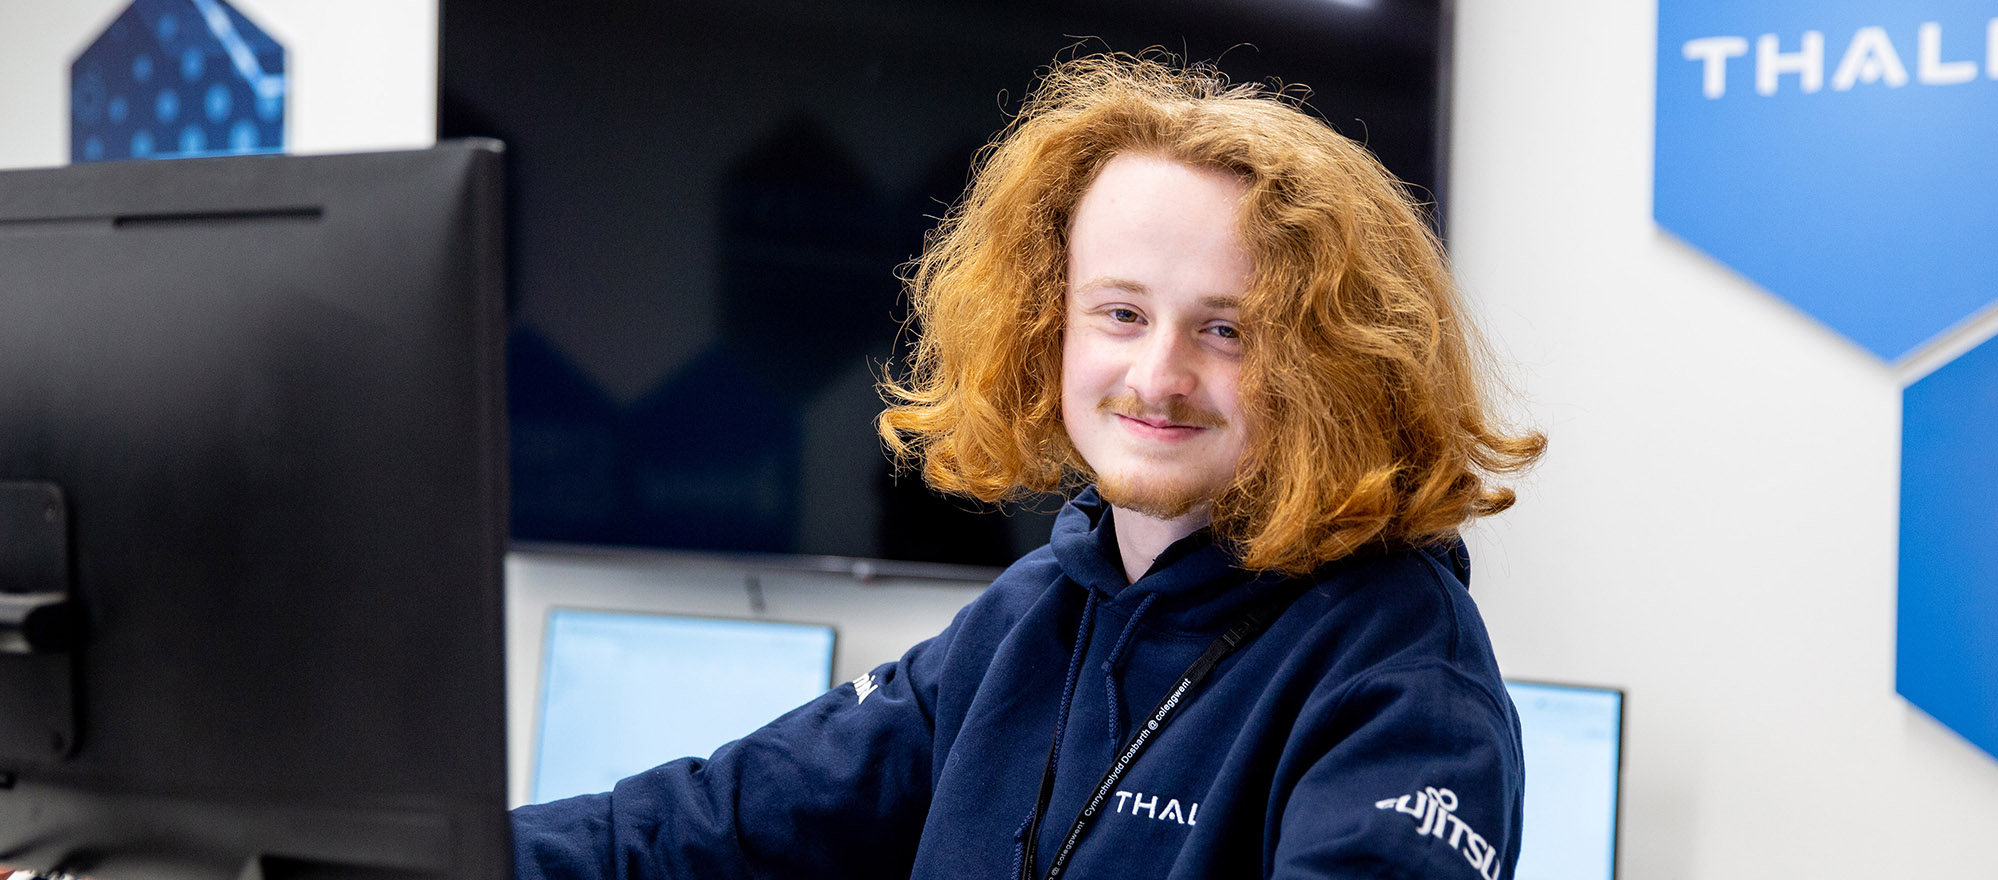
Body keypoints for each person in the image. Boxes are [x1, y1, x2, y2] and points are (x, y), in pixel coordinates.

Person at [512, 52, 1545, 880]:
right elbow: (709, 825)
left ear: (1330, 362)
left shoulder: (1405, 670)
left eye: (1228, 330)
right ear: (1048, 323)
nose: (1159, 373)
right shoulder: (1031, 614)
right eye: (1122, 313)